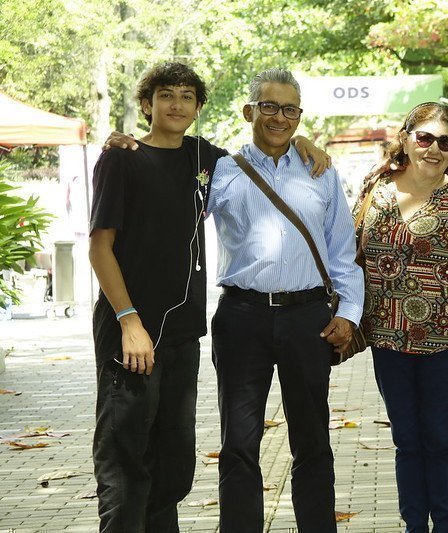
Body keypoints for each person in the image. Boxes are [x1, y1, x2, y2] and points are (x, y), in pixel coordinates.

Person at [206, 67, 363, 533]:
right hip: (241, 316)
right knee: (238, 443)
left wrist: (349, 315)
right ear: (249, 110)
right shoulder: (222, 170)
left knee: (313, 440)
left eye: (289, 109)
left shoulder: (321, 170)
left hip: (308, 318)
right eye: (269, 106)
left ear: (299, 116)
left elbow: (342, 248)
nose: (279, 117)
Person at [89, 62, 227, 532]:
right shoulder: (121, 158)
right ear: (146, 105)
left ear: (198, 107)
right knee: (124, 459)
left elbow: (267, 156)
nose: (177, 105)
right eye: (166, 95)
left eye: (187, 97)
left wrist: (305, 143)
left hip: (183, 333)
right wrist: (129, 321)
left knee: (172, 462)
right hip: (129, 331)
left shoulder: (205, 159)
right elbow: (99, 247)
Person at [356, 102, 448, 531]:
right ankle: (414, 525)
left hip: (447, 343)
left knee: (439, 440)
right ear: (405, 138)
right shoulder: (377, 188)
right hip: (388, 340)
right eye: (425, 138)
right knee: (406, 439)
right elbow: (349, 254)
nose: (433, 148)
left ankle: (445, 526)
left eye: (445, 141)